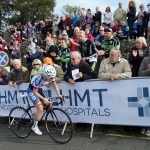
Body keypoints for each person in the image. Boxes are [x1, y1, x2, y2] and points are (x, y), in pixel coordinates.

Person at [27, 65, 64, 135]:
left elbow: (55, 84)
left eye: (53, 77)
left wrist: (59, 95)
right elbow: (35, 92)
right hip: (31, 91)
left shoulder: (50, 76)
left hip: (39, 89)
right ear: (45, 76)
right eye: (50, 78)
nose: (52, 79)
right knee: (40, 108)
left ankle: (35, 115)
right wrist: (44, 99)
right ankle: (34, 126)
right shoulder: (38, 79)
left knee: (47, 104)